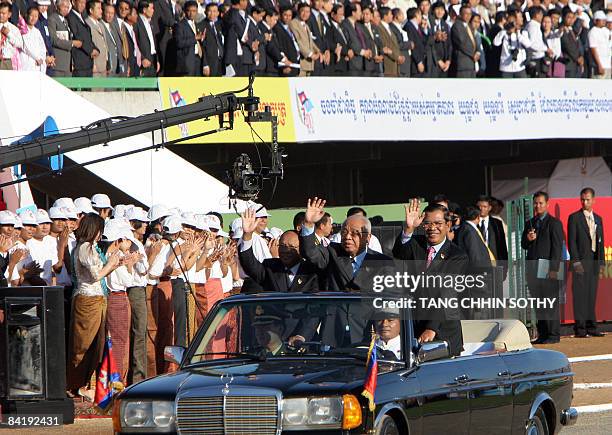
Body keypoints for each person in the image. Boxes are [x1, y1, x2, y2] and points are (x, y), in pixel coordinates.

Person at [392, 199, 467, 357]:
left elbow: (447, 294)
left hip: (441, 332)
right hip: (413, 328)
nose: (432, 228)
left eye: (438, 223)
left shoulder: (457, 256)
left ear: (448, 225)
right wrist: (408, 229)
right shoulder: (415, 244)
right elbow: (399, 253)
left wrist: (432, 328)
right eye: (427, 223)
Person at [67, 213, 121, 402]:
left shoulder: (89, 247)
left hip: (98, 299)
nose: (100, 234)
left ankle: (85, 385)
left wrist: (114, 264)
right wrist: (111, 264)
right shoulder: (84, 248)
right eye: (99, 230)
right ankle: (75, 384)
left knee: (96, 346)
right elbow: (95, 275)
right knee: (83, 344)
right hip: (87, 300)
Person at [300, 197, 392, 292]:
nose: (347, 237)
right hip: (336, 306)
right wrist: (308, 223)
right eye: (344, 232)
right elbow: (310, 252)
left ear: (367, 238)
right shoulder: (332, 252)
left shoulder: (383, 262)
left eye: (354, 233)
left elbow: (390, 296)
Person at [239, 208, 320, 293]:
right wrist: (247, 235)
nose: (285, 250)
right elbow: (250, 265)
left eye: (291, 247)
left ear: (301, 249)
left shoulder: (311, 271)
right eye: (282, 246)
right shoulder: (270, 268)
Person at [521, 192, 564, 344]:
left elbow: (557, 248)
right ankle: (543, 333)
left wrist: (554, 269)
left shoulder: (554, 223)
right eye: (536, 203)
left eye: (540, 203)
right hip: (533, 267)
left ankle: (553, 334)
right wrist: (528, 238)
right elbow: (523, 245)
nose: (537, 206)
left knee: (550, 301)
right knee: (538, 302)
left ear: (547, 204)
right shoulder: (530, 223)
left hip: (548, 267)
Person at [567, 187, 605, 338]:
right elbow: (572, 242)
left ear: (594, 200)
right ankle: (580, 329)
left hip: (594, 262)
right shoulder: (574, 217)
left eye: (588, 199)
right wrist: (576, 262)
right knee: (580, 296)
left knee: (591, 295)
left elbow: (601, 242)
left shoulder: (598, 219)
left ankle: (592, 327)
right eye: (583, 199)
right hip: (581, 262)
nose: (585, 202)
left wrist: (601, 263)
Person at [66, 0, 98, 77]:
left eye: (84, 3)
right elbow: (78, 37)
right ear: (73, 2)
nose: (82, 5)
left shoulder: (82, 17)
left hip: (87, 63)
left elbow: (87, 37)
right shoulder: (70, 17)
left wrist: (95, 49)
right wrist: (90, 50)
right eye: (80, 2)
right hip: (79, 63)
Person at [289, 3, 320, 77]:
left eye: (308, 12)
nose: (305, 14)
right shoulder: (293, 23)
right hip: (301, 63)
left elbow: (311, 42)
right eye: (303, 11)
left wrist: (318, 51)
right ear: (298, 11)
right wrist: (310, 54)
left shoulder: (306, 25)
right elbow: (297, 41)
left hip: (309, 64)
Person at [174, 0, 203, 76]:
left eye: (194, 11)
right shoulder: (179, 25)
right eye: (189, 11)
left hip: (198, 59)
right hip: (187, 63)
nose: (191, 13)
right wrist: (195, 38)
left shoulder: (197, 25)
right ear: (184, 11)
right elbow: (179, 43)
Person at [48, 0, 76, 76]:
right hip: (59, 64)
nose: (66, 9)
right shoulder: (52, 19)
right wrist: (72, 43)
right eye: (64, 6)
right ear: (57, 6)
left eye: (67, 7)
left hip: (67, 64)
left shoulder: (66, 21)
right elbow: (54, 40)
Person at [451, 5, 478, 78]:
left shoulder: (469, 26)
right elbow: (462, 43)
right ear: (460, 14)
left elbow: (474, 41)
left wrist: (477, 52)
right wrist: (473, 54)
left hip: (471, 64)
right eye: (466, 13)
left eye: (470, 14)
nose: (468, 16)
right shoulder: (457, 26)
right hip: (463, 64)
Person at [275, 6, 300, 76]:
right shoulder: (277, 28)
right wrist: (283, 65)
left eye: (290, 15)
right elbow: (279, 47)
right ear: (280, 15)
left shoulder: (290, 28)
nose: (287, 17)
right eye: (285, 15)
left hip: (294, 64)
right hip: (286, 66)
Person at [20, 6, 47, 72]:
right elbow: (26, 46)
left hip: (38, 63)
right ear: (27, 15)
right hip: (27, 62)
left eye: (36, 16)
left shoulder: (37, 31)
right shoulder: (22, 29)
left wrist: (41, 59)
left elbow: (42, 47)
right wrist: (36, 58)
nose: (33, 18)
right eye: (31, 15)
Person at [200, 2, 224, 77]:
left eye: (214, 11)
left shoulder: (219, 25)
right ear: (205, 12)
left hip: (220, 61)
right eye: (210, 11)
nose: (212, 14)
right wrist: (205, 64)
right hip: (209, 63)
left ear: (218, 13)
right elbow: (201, 47)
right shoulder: (201, 25)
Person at [135, 0, 158, 77]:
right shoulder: (136, 22)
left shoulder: (150, 23)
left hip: (152, 60)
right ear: (144, 10)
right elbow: (135, 43)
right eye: (151, 8)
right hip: (143, 62)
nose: (153, 10)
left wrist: (156, 60)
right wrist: (142, 58)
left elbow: (153, 43)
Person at [85, 0, 108, 77]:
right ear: (91, 10)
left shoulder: (101, 25)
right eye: (98, 8)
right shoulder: (86, 24)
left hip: (103, 67)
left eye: (101, 8)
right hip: (94, 68)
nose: (101, 11)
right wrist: (93, 65)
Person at [0, 1, 24, 70]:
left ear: (9, 14)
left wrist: (9, 34)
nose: (1, 15)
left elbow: (20, 44)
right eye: (0, 13)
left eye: (3, 13)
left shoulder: (14, 29)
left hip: (7, 61)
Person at [560, 6, 582, 78]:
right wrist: (577, 58)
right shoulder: (561, 29)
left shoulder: (572, 30)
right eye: (568, 17)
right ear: (563, 17)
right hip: (568, 63)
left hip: (576, 64)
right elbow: (567, 45)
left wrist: (581, 56)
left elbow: (578, 43)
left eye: (573, 18)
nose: (571, 20)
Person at [588, 10, 610, 79]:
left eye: (604, 20)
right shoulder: (593, 32)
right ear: (595, 21)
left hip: (607, 65)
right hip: (598, 65)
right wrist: (599, 65)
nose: (604, 21)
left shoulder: (606, 31)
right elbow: (593, 49)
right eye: (601, 20)